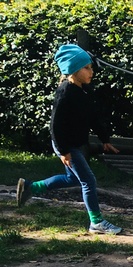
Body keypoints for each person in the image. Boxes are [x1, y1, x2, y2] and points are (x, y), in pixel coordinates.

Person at [16, 44, 122, 235]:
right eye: (86, 68)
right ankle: (96, 222)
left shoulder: (84, 90)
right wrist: (64, 151)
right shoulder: (65, 92)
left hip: (76, 143)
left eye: (91, 67)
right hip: (66, 145)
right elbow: (55, 126)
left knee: (72, 178)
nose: (91, 72)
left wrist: (104, 139)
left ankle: (31, 187)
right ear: (73, 70)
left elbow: (93, 117)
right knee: (88, 180)